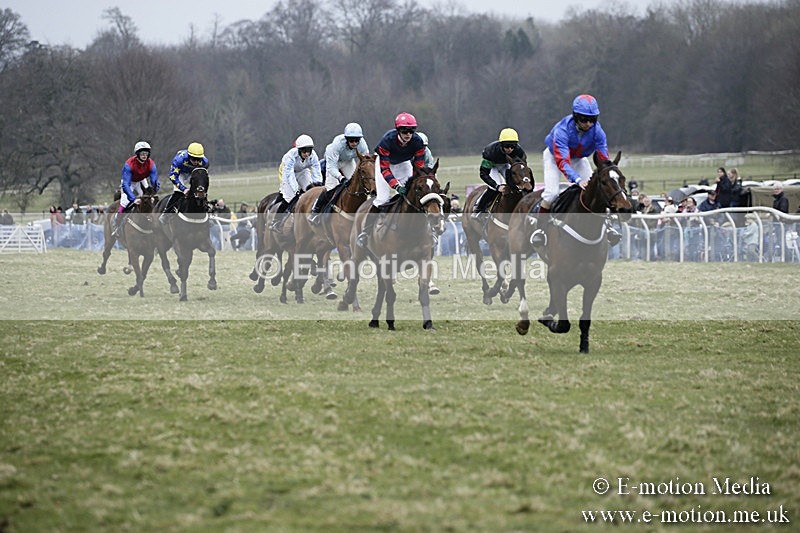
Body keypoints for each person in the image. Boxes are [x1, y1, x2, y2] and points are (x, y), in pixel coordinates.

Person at [531, 94, 619, 248]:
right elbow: (563, 162)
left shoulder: (598, 132)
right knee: (551, 194)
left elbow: (603, 157)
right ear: (576, 117)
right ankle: (540, 231)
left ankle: (609, 226)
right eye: (584, 119)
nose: (588, 124)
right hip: (555, 157)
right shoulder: (562, 130)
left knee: (598, 189)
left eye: (592, 120)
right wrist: (577, 180)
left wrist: (607, 169)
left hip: (578, 158)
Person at [356, 112, 426, 248]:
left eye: (411, 131)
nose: (408, 134)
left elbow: (419, 169)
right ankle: (365, 232)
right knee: (382, 199)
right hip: (385, 165)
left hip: (404, 163)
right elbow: (385, 170)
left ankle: (426, 231)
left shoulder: (418, 142)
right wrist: (396, 186)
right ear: (398, 130)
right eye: (405, 131)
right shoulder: (387, 141)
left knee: (412, 196)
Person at [308, 123, 369, 225]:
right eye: (351, 140)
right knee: (331, 188)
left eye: (356, 140)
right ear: (346, 139)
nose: (354, 143)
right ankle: (315, 211)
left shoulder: (362, 144)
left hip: (348, 161)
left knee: (356, 184)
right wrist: (341, 178)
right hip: (333, 162)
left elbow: (365, 160)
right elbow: (332, 167)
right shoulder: (337, 145)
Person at [471, 128, 527, 219]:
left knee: (515, 185)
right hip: (493, 166)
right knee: (494, 188)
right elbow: (483, 174)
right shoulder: (491, 152)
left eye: (513, 146)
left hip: (507, 165)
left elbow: (522, 169)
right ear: (501, 145)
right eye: (507, 146)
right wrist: (497, 186)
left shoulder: (519, 152)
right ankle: (479, 208)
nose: (510, 149)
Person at [271, 134, 323, 231]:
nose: (307, 154)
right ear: (298, 150)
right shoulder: (290, 156)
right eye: (304, 151)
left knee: (311, 190)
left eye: (309, 150)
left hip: (302, 171)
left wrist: (318, 184)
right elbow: (289, 175)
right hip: (287, 172)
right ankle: (276, 221)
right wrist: (296, 190)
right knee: (289, 196)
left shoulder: (313, 156)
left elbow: (316, 171)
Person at [113, 141, 160, 236]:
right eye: (142, 153)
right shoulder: (129, 164)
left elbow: (154, 180)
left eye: (146, 153)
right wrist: (133, 199)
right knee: (125, 202)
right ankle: (117, 226)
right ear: (137, 154)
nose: (144, 156)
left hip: (141, 180)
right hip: (129, 182)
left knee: (149, 200)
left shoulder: (151, 163)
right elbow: (126, 185)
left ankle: (154, 223)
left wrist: (153, 190)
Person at [159, 142, 208, 224]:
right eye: (193, 159)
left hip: (193, 173)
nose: (196, 162)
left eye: (198, 159)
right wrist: (183, 189)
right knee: (178, 192)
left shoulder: (204, 161)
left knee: (200, 189)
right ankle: (166, 212)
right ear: (189, 156)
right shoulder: (178, 160)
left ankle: (206, 207)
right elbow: (173, 177)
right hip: (180, 173)